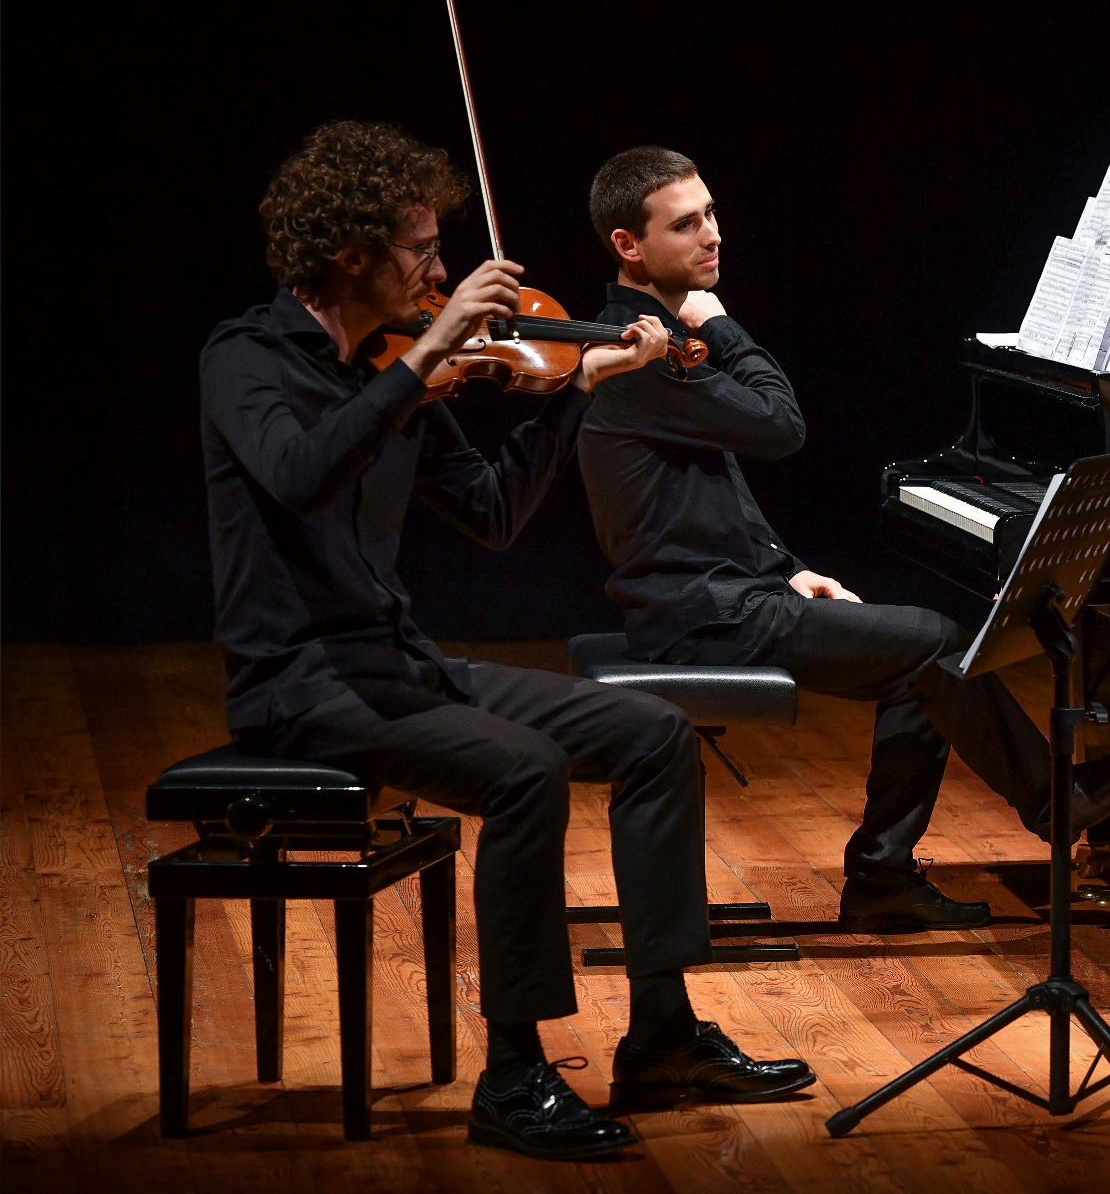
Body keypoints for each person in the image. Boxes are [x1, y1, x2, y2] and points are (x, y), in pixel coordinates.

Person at [201, 122, 814, 1162]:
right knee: (525, 771)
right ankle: (515, 1073)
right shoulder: (247, 359)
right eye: (421, 251)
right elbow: (301, 472)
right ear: (350, 253)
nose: (443, 273)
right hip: (298, 683)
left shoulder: (401, 368)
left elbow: (490, 511)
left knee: (655, 734)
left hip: (399, 664)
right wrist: (423, 365)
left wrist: (576, 395)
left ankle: (662, 1033)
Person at [575, 147, 1110, 929]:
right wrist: (724, 325)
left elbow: (708, 499)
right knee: (932, 639)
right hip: (703, 615)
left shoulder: (658, 343)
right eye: (686, 222)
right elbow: (781, 425)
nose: (713, 234)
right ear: (627, 245)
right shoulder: (638, 354)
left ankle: (883, 878)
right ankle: (1050, 800)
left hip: (723, 594)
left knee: (917, 660)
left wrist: (790, 570)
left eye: (710, 212)